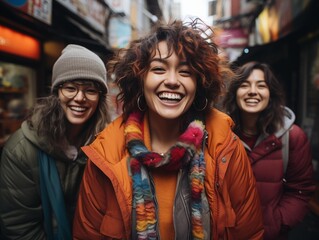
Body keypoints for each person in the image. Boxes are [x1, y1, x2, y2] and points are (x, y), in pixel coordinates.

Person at [73, 19, 264, 240]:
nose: (172, 81)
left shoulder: (225, 149)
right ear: (140, 79)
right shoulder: (105, 154)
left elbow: (250, 234)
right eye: (158, 69)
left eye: (185, 72)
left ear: (199, 83)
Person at [0, 44, 110, 239]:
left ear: (100, 98)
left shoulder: (107, 146)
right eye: (70, 88)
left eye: (90, 90)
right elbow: (19, 228)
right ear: (56, 92)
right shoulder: (21, 150)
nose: (80, 98)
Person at [223, 61, 315, 240]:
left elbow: (301, 190)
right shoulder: (221, 135)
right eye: (244, 85)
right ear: (234, 93)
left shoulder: (293, 137)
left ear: (270, 94)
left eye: (261, 85)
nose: (252, 91)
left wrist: (277, 223)